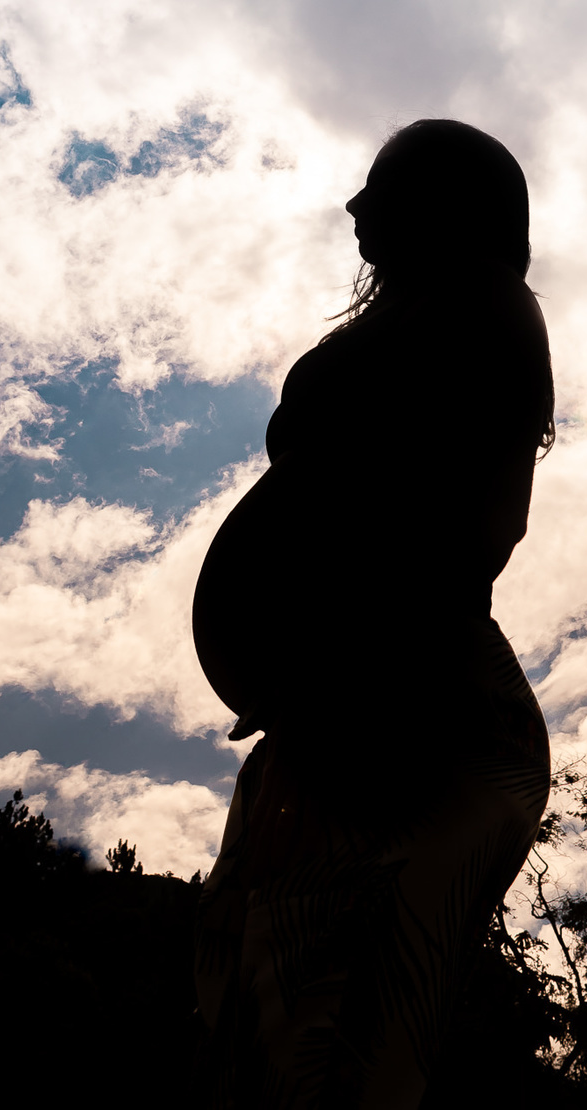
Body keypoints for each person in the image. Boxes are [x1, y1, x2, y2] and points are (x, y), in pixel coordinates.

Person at [192, 119, 555, 1108]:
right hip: (332, 716)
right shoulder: (426, 318)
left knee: (343, 1025)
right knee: (263, 1017)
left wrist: (360, 653)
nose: (354, 209)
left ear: (444, 208)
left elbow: (466, 524)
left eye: (381, 190)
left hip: (408, 704)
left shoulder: (488, 311)